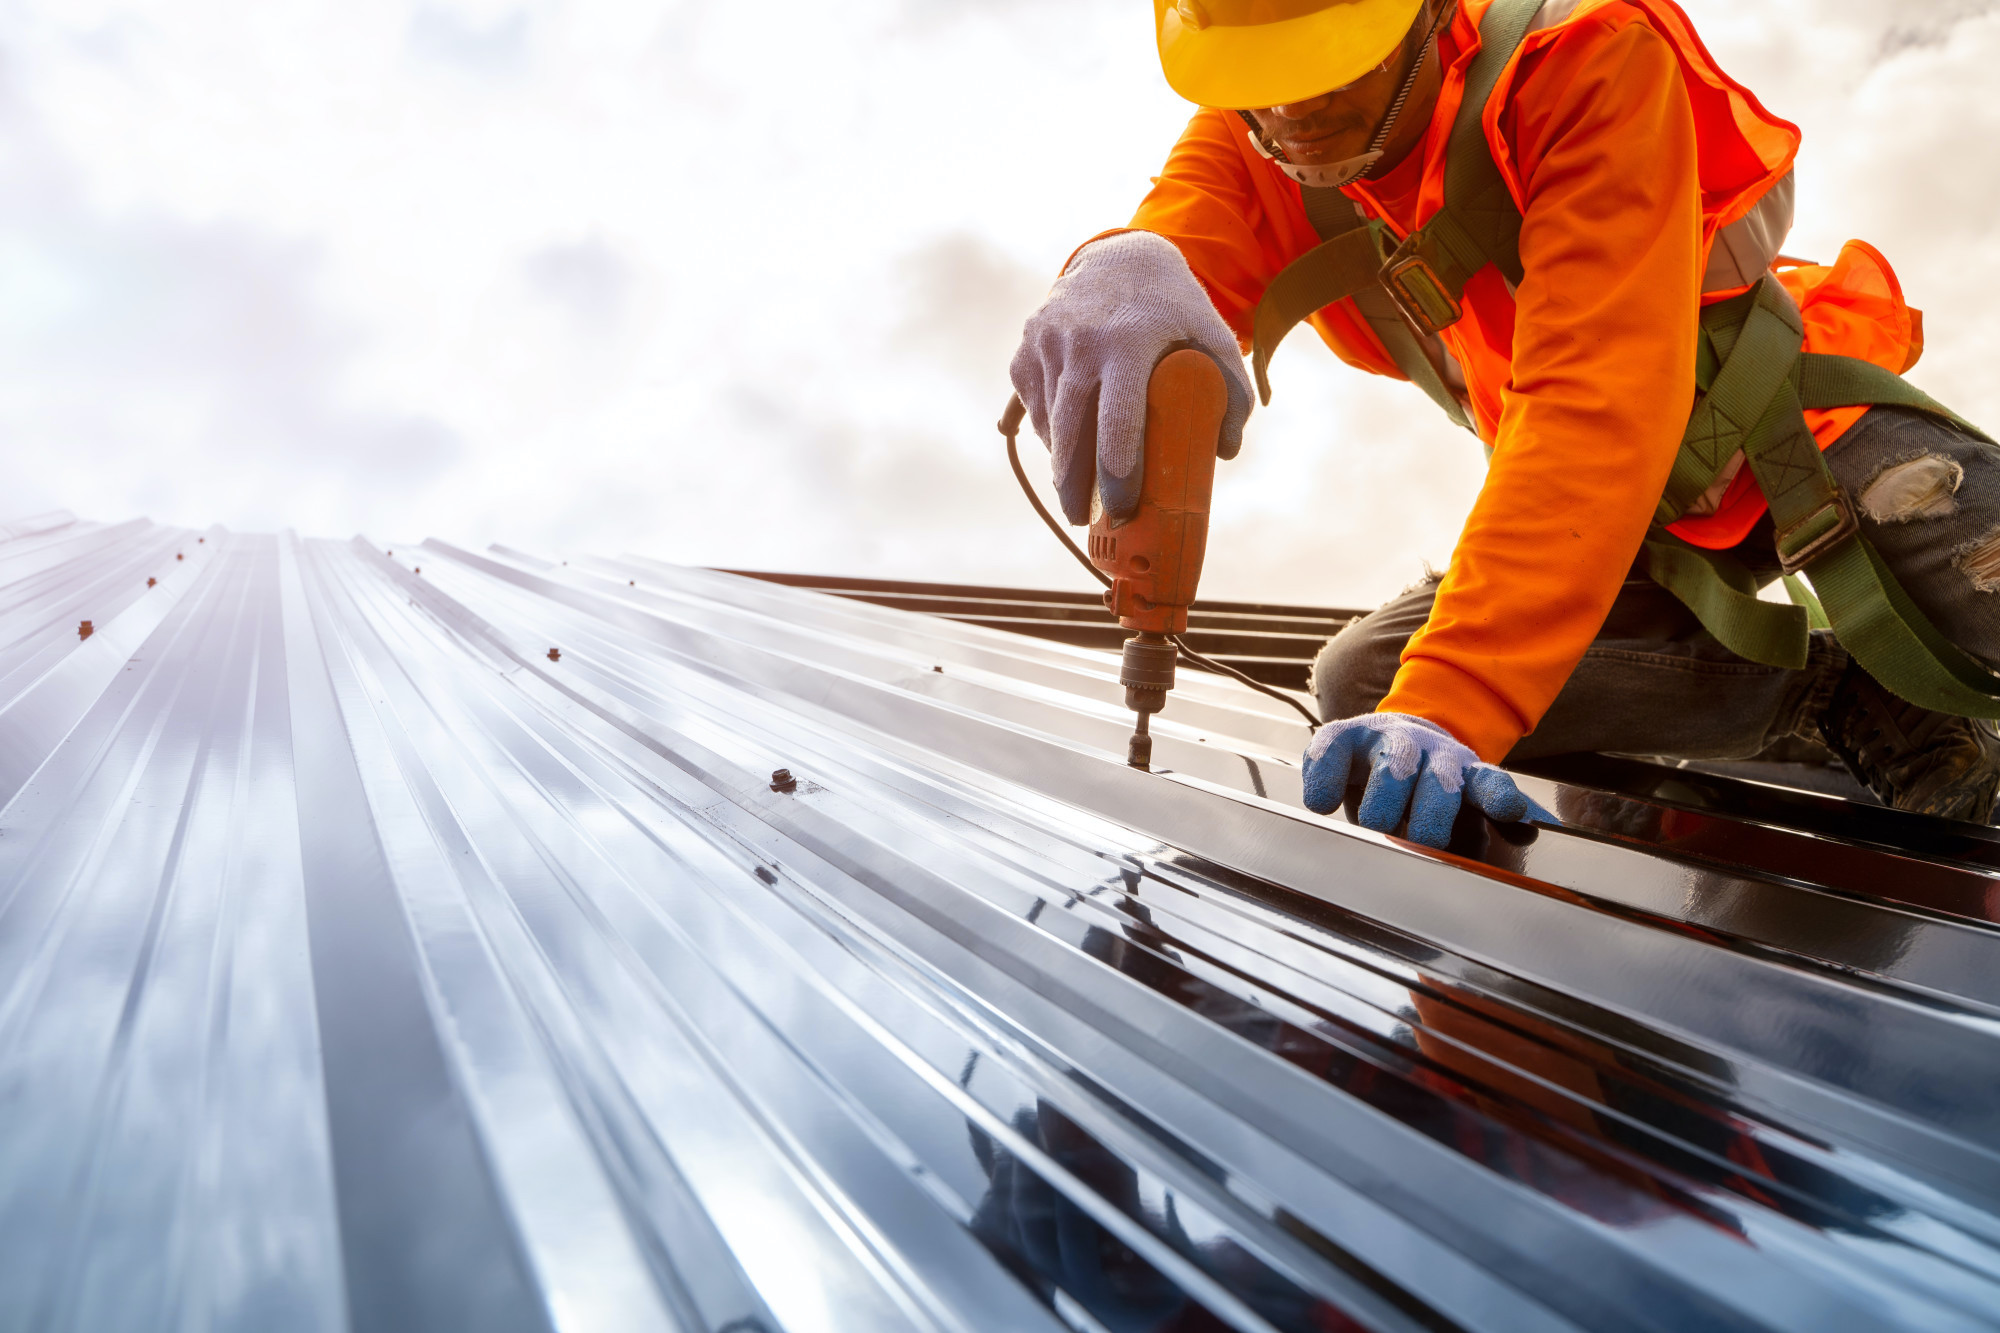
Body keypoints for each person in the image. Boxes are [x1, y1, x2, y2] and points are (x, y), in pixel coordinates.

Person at [1010, 0, 2000, 848]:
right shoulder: (1258, 138)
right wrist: (1121, 266)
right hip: (1613, 535)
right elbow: (1184, 232)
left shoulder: (1578, 57)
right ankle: (1833, 695)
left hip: (1786, 437)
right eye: (1259, 81)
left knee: (1976, 572)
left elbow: (1591, 401)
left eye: (1326, 67)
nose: (1289, 110)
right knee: (1362, 681)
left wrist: (1455, 702)